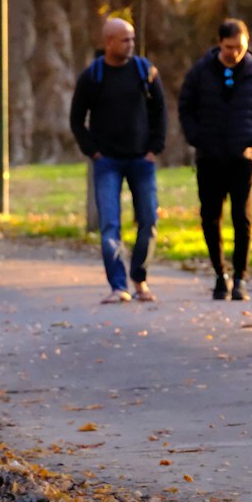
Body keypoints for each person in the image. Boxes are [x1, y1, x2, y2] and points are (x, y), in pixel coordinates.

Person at [177, 18, 252, 301]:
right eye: (230, 47)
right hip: (209, 156)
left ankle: (240, 278)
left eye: (240, 47)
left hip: (242, 157)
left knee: (241, 218)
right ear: (220, 43)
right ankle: (219, 274)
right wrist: (196, 136)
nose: (235, 52)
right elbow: (186, 106)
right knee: (210, 216)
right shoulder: (201, 71)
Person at [69, 16, 167, 304]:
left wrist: (154, 149)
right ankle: (118, 285)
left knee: (148, 219)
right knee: (110, 224)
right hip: (107, 161)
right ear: (108, 42)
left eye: (133, 39)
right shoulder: (92, 76)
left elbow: (160, 112)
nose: (131, 44)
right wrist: (93, 151)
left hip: (141, 159)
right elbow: (77, 120)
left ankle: (140, 277)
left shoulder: (144, 71)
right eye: (125, 39)